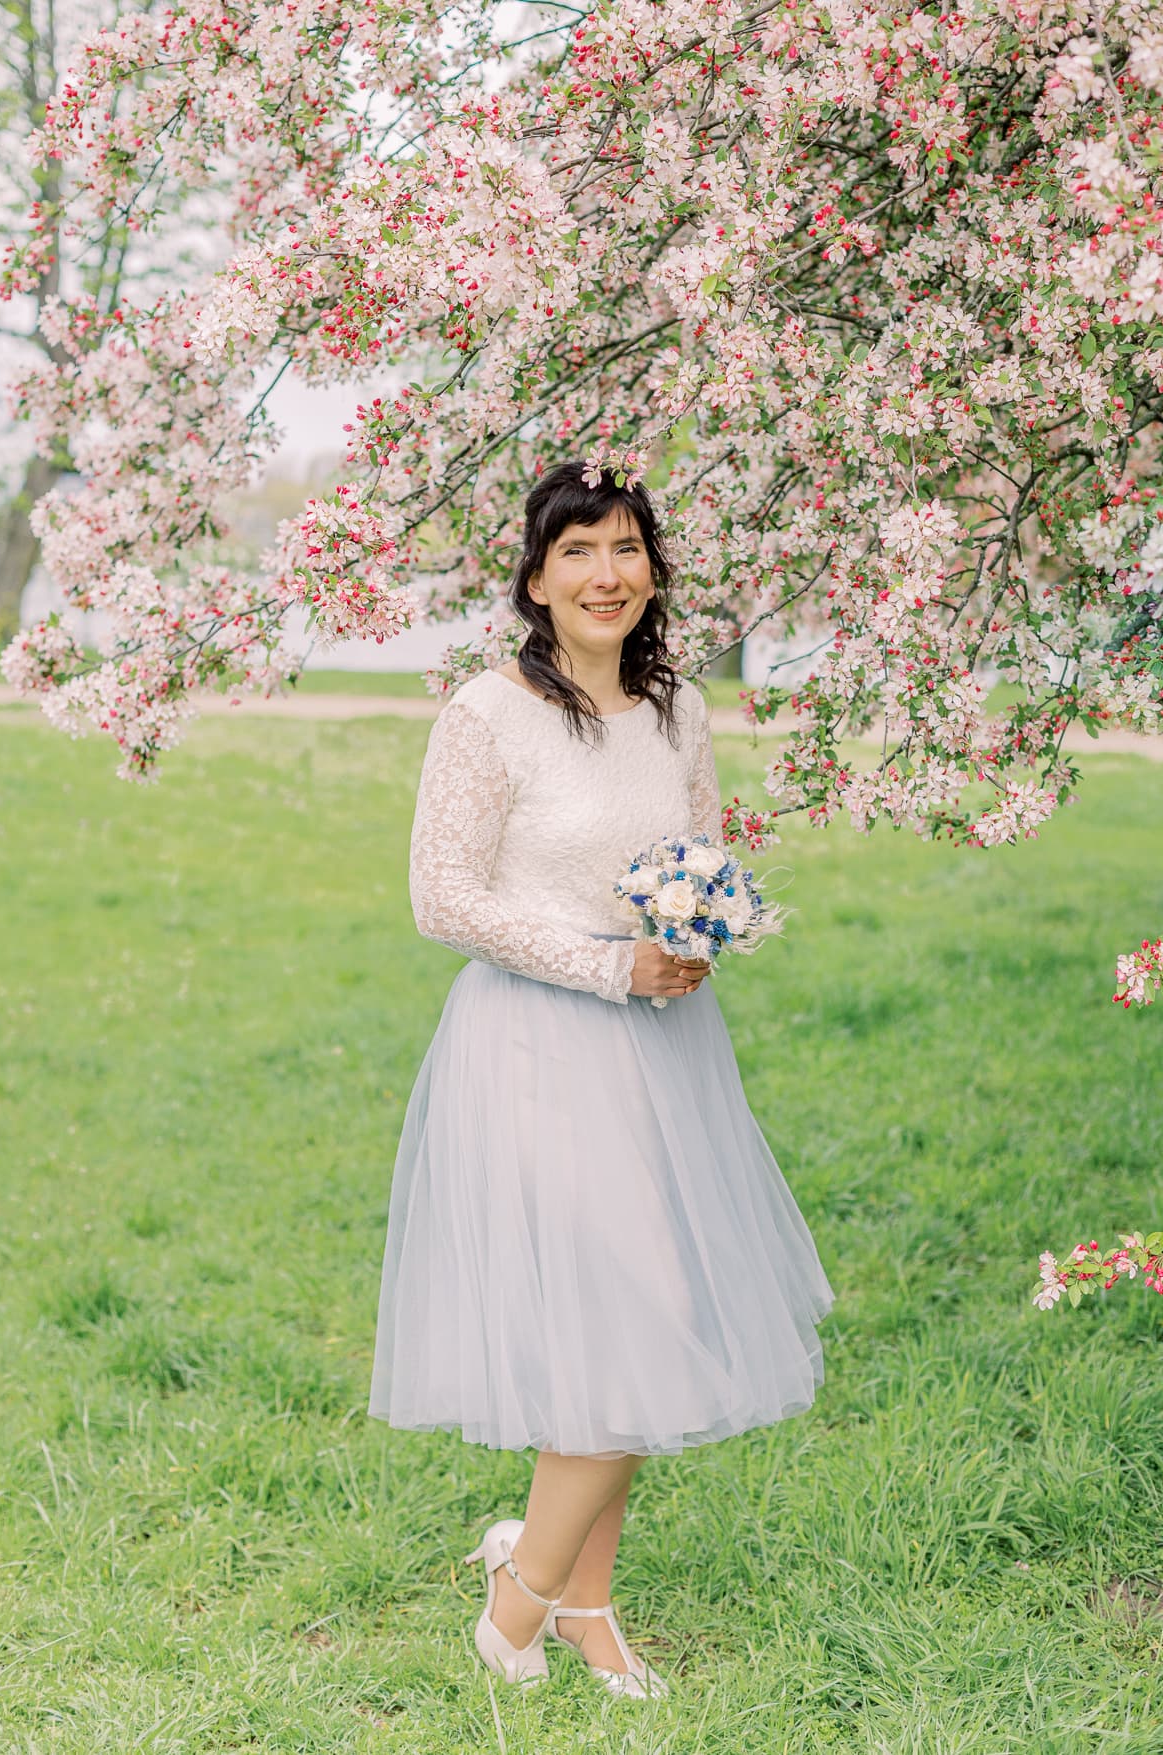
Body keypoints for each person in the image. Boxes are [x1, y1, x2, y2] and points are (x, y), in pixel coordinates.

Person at [369, 460, 834, 1699]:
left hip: (662, 1049)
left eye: (626, 549)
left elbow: (699, 851)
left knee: (633, 1325)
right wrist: (605, 966)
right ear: (535, 577)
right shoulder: (487, 713)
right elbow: (441, 899)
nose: (605, 574)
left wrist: (693, 931)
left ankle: (585, 1603)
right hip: (533, 1043)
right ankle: (516, 1604)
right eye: (577, 552)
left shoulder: (678, 712)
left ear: (652, 572)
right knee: (630, 1317)